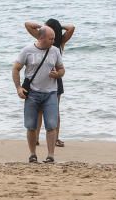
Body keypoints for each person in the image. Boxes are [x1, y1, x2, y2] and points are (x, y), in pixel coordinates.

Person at [12, 25, 64, 163]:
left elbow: (62, 69)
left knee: (51, 125)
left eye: (54, 38)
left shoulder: (55, 51)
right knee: (30, 126)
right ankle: (32, 154)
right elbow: (16, 68)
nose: (53, 41)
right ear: (41, 38)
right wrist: (18, 88)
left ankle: (50, 155)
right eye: (51, 38)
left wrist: (58, 74)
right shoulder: (27, 50)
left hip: (51, 93)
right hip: (32, 94)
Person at [24, 18, 74, 147]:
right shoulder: (61, 40)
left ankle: (36, 138)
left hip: (53, 78)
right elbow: (71, 28)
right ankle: (55, 138)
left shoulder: (48, 39)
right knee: (54, 110)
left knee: (40, 111)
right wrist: (56, 27)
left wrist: (45, 27)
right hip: (55, 77)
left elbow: (28, 25)